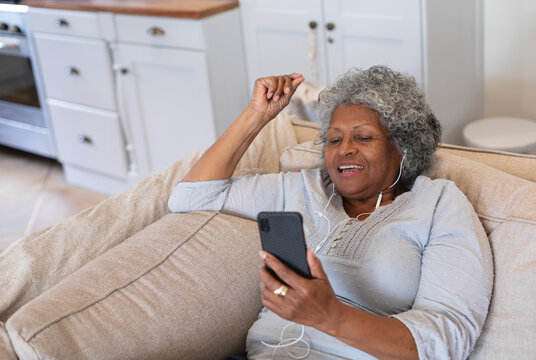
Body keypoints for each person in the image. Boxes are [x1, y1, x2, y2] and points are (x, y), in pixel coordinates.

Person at [168, 66, 493, 360]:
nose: (344, 149)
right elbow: (191, 197)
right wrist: (256, 115)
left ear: (403, 147)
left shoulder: (439, 204)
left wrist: (328, 315)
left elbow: (445, 343)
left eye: (363, 137)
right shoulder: (303, 187)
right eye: (334, 139)